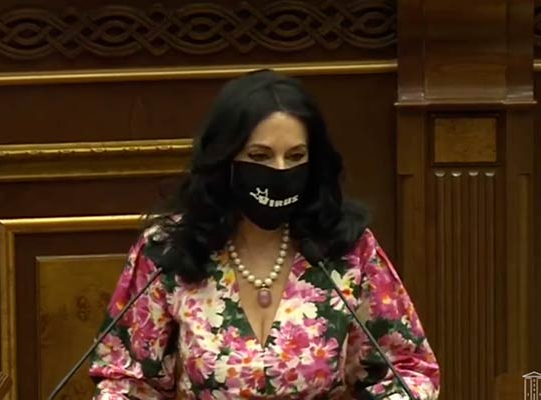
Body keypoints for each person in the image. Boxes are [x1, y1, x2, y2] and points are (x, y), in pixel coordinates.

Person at [88, 70, 440, 399]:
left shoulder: (345, 248)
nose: (280, 171)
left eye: (296, 156)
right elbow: (124, 382)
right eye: (260, 155)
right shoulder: (171, 250)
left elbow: (408, 370)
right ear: (225, 159)